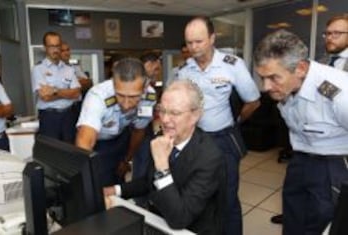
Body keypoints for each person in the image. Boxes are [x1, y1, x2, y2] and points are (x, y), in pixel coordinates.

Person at [253, 29, 348, 235]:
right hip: (301, 159)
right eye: (262, 78)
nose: (266, 86)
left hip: (334, 165)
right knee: (293, 217)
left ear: (301, 68)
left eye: (273, 78)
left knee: (323, 225)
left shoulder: (338, 92)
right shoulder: (286, 86)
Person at [104, 80, 226, 234]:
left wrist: (162, 165)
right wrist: (116, 190)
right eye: (162, 110)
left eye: (174, 113)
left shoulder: (210, 157)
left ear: (195, 115)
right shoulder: (163, 137)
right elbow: (149, 181)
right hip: (159, 221)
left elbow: (179, 218)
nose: (165, 120)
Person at [175, 16, 260, 235]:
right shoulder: (184, 70)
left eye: (198, 41)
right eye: (189, 42)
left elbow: (253, 101)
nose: (193, 47)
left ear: (212, 38)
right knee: (198, 192)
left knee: (227, 196)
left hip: (223, 139)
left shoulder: (232, 65)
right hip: (194, 140)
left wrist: (237, 122)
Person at [75, 57, 156, 186]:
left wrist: (127, 160)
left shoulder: (149, 97)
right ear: (113, 85)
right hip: (97, 144)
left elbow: (138, 131)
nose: (126, 104)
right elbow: (85, 140)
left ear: (145, 88)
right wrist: (85, 176)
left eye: (133, 97)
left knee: (118, 180)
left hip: (122, 139)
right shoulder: (98, 96)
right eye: (120, 95)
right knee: (96, 183)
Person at [31, 32, 81, 143]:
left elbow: (77, 93)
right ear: (45, 48)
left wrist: (55, 90)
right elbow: (45, 97)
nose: (55, 49)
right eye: (51, 46)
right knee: (52, 154)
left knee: (70, 152)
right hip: (49, 117)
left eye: (58, 46)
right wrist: (68, 93)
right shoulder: (38, 69)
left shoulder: (69, 69)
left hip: (68, 116)